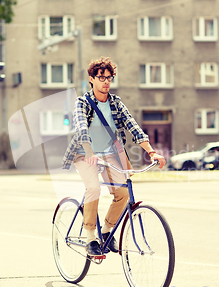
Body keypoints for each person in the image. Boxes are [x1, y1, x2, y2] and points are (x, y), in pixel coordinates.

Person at [62, 57, 166, 257]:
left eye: (109, 78)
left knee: (123, 193)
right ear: (91, 79)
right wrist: (90, 152)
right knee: (93, 188)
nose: (106, 82)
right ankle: (91, 237)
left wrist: (151, 151)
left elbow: (132, 126)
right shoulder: (82, 103)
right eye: (101, 77)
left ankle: (106, 232)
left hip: (111, 151)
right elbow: (81, 127)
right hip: (86, 153)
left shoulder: (115, 103)